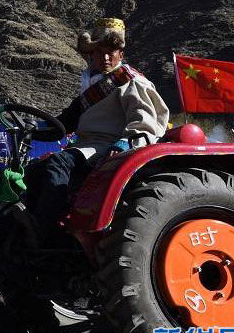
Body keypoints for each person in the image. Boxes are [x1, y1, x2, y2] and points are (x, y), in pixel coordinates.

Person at [24, 18, 169, 234]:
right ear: (91, 54)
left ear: (121, 53)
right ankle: (23, 219)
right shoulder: (91, 87)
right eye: (100, 52)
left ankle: (48, 230)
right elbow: (64, 123)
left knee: (59, 163)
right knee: (33, 170)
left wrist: (124, 143)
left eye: (111, 51)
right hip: (85, 147)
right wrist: (32, 130)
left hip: (111, 146)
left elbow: (146, 122)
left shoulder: (132, 81)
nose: (106, 57)